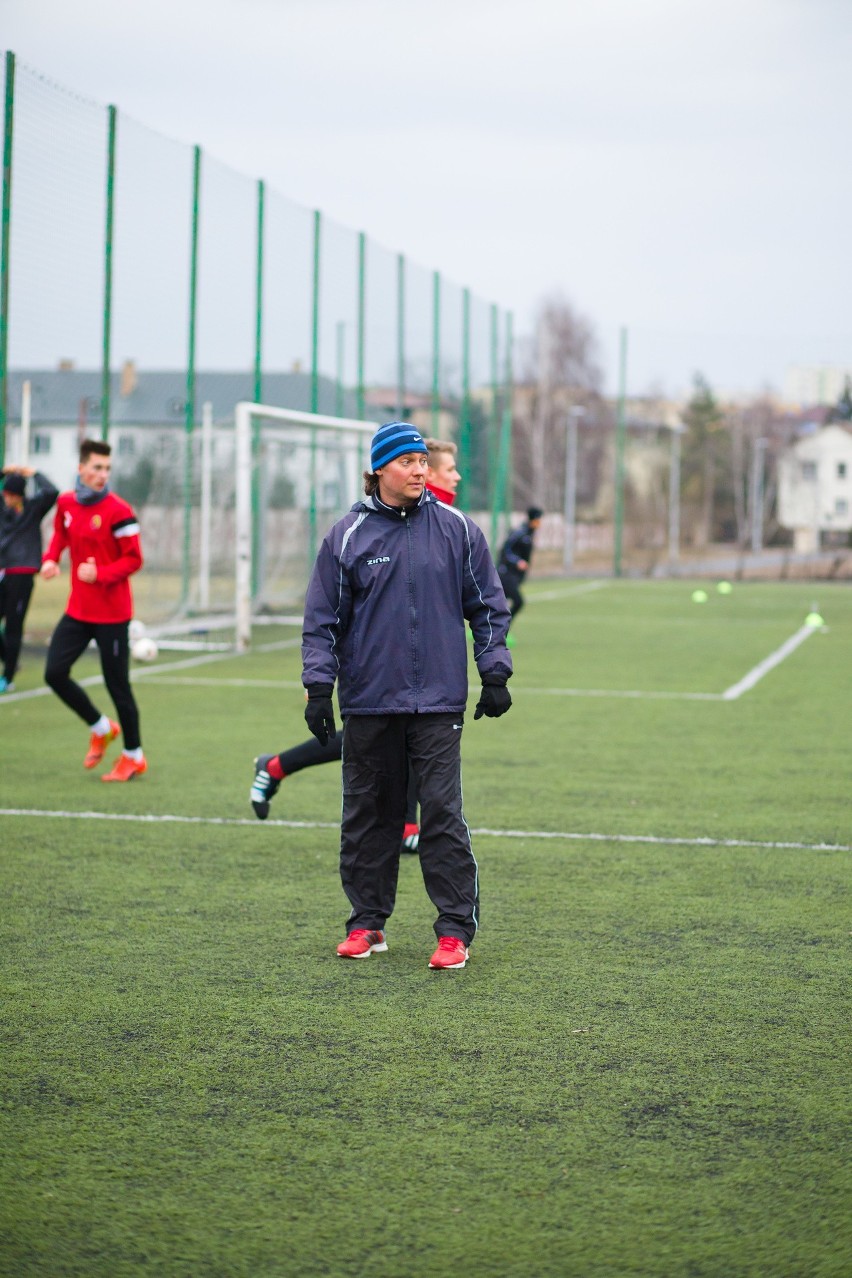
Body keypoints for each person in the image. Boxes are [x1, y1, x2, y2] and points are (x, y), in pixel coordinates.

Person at [301, 421, 512, 970]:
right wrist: (318, 688)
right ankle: (367, 923)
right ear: (379, 469)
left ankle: (453, 932)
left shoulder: (459, 531)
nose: (420, 469)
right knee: (368, 814)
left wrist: (494, 672)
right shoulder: (346, 536)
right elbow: (321, 621)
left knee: (442, 811)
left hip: (438, 702)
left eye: (424, 460)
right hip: (369, 700)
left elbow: (488, 606)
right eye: (408, 461)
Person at [250, 439, 463, 852]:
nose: (455, 475)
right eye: (448, 468)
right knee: (375, 738)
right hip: (378, 667)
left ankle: (401, 822)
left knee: (417, 730)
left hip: (420, 664)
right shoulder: (371, 525)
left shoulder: (447, 520)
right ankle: (278, 766)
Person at [41, 438, 148, 781]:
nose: (103, 474)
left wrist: (99, 574)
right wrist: (49, 560)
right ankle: (101, 727)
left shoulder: (120, 510)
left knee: (118, 686)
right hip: (78, 610)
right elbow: (60, 535)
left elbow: (134, 558)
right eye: (97, 467)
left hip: (113, 615)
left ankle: (134, 756)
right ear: (81, 469)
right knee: (54, 674)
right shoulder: (66, 502)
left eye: (107, 468)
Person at [0, 466, 59, 692]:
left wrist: (33, 473)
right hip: (2, 572)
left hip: (22, 574)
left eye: (11, 494)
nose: (7, 498)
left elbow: (52, 492)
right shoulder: (1, 509)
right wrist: (5, 472)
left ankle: (8, 677)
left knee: (14, 626)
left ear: (20, 495)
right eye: (5, 493)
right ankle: (10, 662)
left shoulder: (33, 509)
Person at [497, 506, 543, 624]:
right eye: (538, 520)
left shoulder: (529, 534)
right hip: (506, 574)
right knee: (518, 602)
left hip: (515, 575)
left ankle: (497, 631)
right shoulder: (519, 533)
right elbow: (505, 550)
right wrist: (517, 561)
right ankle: (502, 630)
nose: (539, 524)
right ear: (532, 520)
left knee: (498, 605)